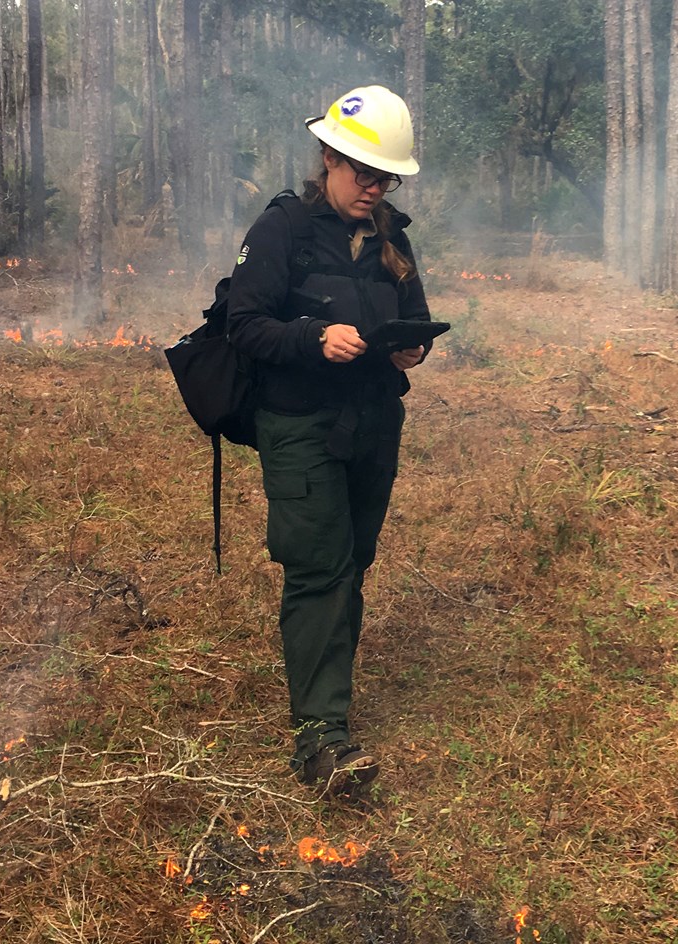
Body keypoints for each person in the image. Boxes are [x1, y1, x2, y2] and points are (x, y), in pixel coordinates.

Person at [224, 85, 433, 795]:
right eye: (362, 173)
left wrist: (411, 351)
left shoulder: (391, 238)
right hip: (300, 427)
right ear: (328, 157)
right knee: (319, 569)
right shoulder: (283, 229)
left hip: (373, 423)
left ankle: (328, 699)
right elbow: (243, 325)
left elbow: (415, 317)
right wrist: (314, 338)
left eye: (385, 178)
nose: (374, 188)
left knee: (353, 563)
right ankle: (321, 738)